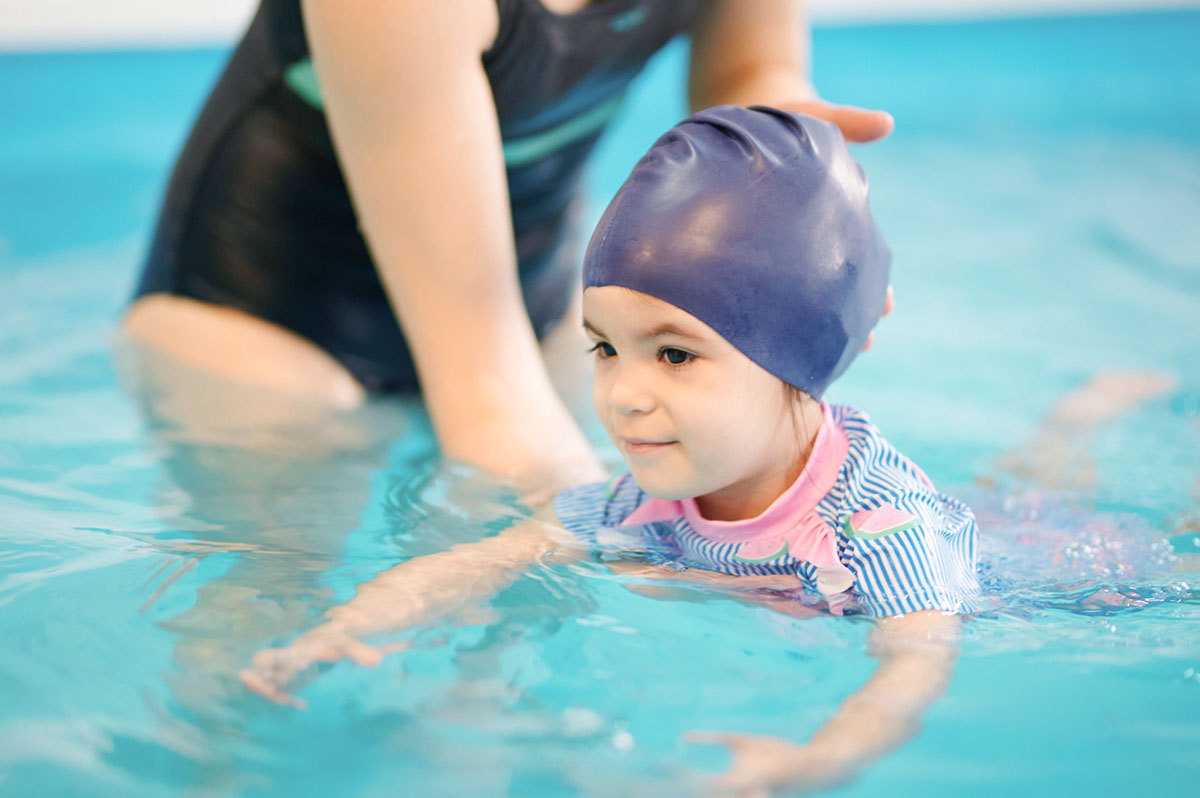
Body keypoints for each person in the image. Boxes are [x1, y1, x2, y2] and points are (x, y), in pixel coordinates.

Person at [240, 106, 979, 795]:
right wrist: (341, 633)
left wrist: (815, 759)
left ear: (801, 354)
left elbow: (913, 664)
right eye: (604, 348)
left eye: (675, 356)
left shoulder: (881, 522)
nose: (623, 394)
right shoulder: (646, 497)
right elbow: (487, 560)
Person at [121, 0, 894, 495]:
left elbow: (746, 68)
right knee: (266, 640)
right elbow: (486, 388)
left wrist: (782, 164)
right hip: (267, 325)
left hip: (537, 301)